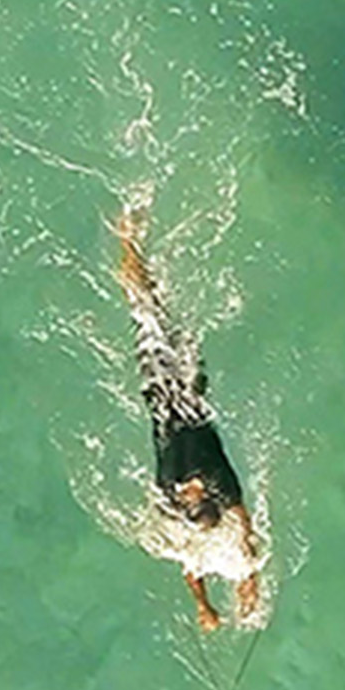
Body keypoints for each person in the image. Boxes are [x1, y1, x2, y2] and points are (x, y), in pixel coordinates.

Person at [113, 206, 262, 632]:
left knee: (147, 313)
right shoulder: (217, 480)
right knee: (156, 314)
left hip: (164, 390)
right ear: (207, 496)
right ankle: (135, 253)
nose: (189, 493)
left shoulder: (173, 491)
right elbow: (245, 530)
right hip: (183, 390)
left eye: (188, 499)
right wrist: (247, 580)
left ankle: (129, 243)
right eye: (197, 496)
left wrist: (204, 605)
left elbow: (192, 566)